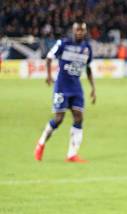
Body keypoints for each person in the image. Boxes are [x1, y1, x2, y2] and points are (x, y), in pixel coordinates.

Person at [34, 22, 96, 162]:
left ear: (85, 32)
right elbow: (49, 58)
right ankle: (41, 143)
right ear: (73, 31)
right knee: (59, 118)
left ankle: (72, 154)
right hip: (62, 86)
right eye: (77, 30)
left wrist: (93, 88)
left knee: (79, 117)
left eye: (82, 30)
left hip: (76, 87)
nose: (79, 32)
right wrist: (49, 76)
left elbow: (88, 68)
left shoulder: (87, 47)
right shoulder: (63, 43)